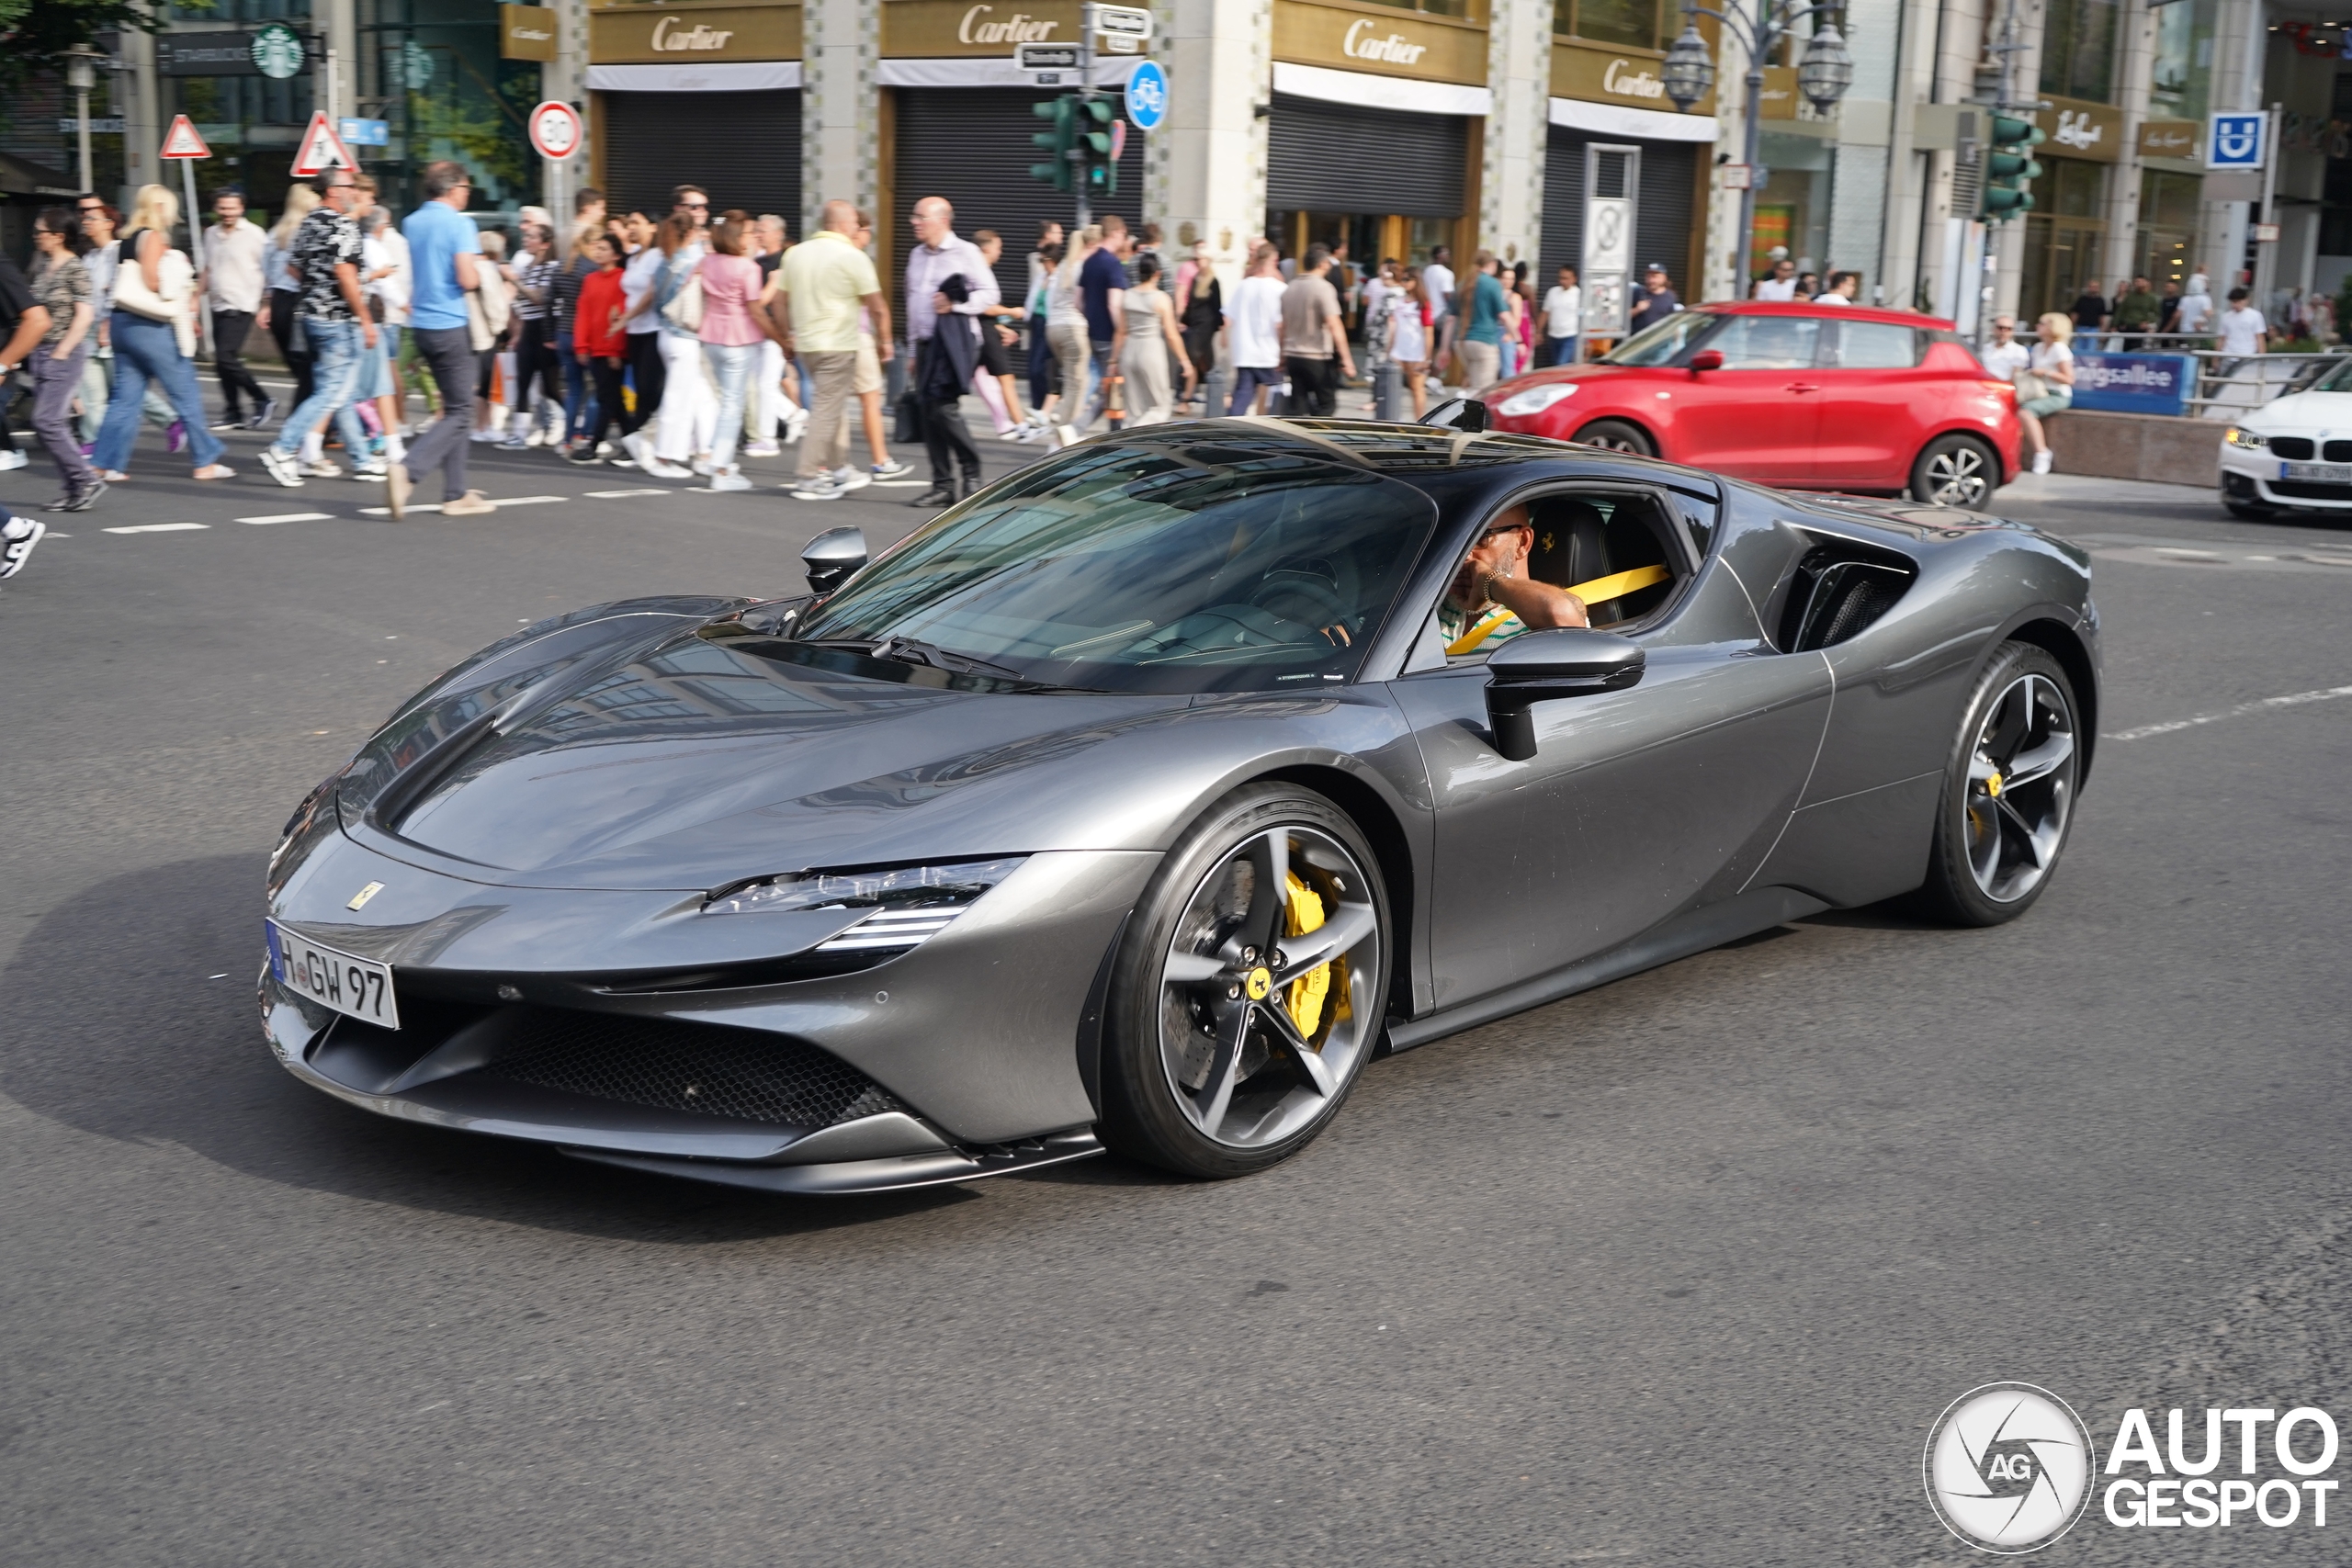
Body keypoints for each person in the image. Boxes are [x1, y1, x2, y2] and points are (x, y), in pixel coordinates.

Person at [91, 184, 234, 483]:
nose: (173, 215)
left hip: (121, 324)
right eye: (169, 208)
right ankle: (205, 461)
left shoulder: (125, 239)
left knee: (124, 399)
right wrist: (178, 276)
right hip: (149, 327)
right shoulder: (152, 236)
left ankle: (104, 463)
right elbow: (154, 282)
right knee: (186, 394)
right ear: (158, 208)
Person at [383, 160, 492, 517]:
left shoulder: (412, 221)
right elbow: (466, 279)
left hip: (422, 324)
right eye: (466, 188)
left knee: (455, 405)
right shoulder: (460, 224)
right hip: (450, 322)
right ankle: (409, 470)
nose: (467, 194)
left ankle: (456, 493)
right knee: (462, 411)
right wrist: (480, 272)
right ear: (452, 188)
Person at [779, 197, 893, 501]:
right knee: (825, 411)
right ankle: (807, 475)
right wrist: (885, 341)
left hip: (806, 344)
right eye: (855, 223)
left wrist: (785, 337)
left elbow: (779, 300)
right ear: (844, 225)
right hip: (838, 344)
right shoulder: (852, 256)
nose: (857, 229)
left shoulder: (795, 253)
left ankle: (841, 467)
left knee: (832, 405)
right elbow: (878, 307)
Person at [902, 195, 997, 506]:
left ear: (942, 220)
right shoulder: (916, 255)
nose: (914, 223)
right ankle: (943, 484)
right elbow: (912, 301)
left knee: (944, 407)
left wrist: (958, 305)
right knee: (929, 412)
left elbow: (990, 293)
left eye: (920, 218)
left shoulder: (966, 252)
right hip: (926, 343)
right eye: (914, 217)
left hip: (955, 342)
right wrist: (913, 349)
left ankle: (972, 472)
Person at [1435, 504, 1590, 656]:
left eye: (1481, 537)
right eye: (1456, 542)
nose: (1464, 556)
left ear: (1522, 543)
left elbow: (1563, 618)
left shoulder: (1535, 619)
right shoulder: (1436, 604)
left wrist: (1491, 583)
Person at [27, 208, 99, 510]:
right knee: (50, 424)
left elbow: (85, 316)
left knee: (47, 420)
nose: (35, 237)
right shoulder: (43, 267)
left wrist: (61, 352)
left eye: (39, 232)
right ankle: (74, 488)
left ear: (58, 237)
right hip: (40, 351)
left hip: (62, 352)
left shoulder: (75, 269)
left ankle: (86, 479)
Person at [688, 209, 765, 492]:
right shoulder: (747, 268)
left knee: (726, 403)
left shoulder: (705, 261)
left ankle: (718, 460)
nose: (753, 236)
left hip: (710, 336)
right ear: (736, 237)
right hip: (738, 339)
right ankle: (720, 468)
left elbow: (689, 287)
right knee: (733, 405)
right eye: (748, 232)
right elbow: (755, 309)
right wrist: (781, 339)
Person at [200, 189, 272, 430]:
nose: (227, 213)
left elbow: (267, 270)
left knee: (225, 356)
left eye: (232, 208)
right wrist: (194, 297)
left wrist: (265, 304)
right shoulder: (211, 233)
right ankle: (233, 412)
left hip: (241, 302)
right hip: (217, 302)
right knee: (221, 362)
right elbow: (208, 268)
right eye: (222, 207)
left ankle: (262, 398)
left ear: (241, 208)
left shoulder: (254, 234)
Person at [1057, 215, 1129, 443]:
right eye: (1124, 235)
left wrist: (1091, 318)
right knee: (1115, 389)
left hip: (1093, 334)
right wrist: (1122, 331)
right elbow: (1114, 304)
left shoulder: (1089, 262)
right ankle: (1088, 430)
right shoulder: (1113, 264)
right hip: (1110, 335)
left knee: (1109, 388)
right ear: (1116, 233)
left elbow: (1078, 301)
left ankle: (1106, 432)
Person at [259, 185, 319, 423]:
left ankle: (313, 427)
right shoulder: (308, 232)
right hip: (299, 302)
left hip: (278, 302)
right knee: (310, 372)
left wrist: (266, 301)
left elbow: (265, 269)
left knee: (300, 370)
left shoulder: (276, 233)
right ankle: (298, 430)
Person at [568, 233, 628, 464]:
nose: (598, 252)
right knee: (612, 398)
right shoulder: (590, 279)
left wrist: (614, 349)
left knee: (606, 397)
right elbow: (583, 314)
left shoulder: (622, 278)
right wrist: (581, 345)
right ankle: (633, 441)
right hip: (594, 347)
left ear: (616, 254)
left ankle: (593, 444)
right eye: (597, 247)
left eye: (604, 248)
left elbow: (620, 314)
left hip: (611, 347)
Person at [972, 230, 1037, 436]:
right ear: (987, 248)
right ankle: (1019, 424)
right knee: (1005, 377)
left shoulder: (976, 269)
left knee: (986, 379)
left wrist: (1000, 327)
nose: (1000, 252)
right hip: (984, 332)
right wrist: (1013, 312)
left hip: (984, 329)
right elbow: (983, 307)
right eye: (998, 247)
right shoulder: (979, 271)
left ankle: (1006, 423)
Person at [1117, 253, 1193, 425]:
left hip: (1129, 351)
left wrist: (1113, 361)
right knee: (1160, 407)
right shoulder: (1162, 299)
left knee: (1133, 410)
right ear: (1157, 273)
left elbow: (1121, 331)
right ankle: (1138, 433)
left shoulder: (1127, 296)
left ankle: (1127, 441)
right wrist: (1185, 361)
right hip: (1151, 351)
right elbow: (1172, 335)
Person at [1280, 243, 1354, 416]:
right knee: (1327, 405)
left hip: (1293, 354)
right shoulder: (1323, 288)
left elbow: (1283, 325)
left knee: (1299, 404)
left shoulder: (1290, 287)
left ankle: (1298, 438)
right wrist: (1347, 359)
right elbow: (1334, 324)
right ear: (1322, 264)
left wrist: (1281, 356)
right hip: (1317, 355)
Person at [617, 210, 667, 460]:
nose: (630, 228)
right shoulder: (633, 257)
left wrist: (626, 317)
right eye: (628, 224)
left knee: (648, 389)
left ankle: (638, 442)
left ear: (653, 227)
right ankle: (648, 438)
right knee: (641, 388)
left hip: (652, 329)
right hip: (633, 331)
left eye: (636, 223)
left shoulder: (658, 256)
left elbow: (650, 295)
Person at [1046, 225, 1101, 436]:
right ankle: (1068, 433)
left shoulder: (1063, 266)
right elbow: (1083, 303)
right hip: (1073, 328)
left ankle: (1063, 428)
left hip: (1054, 327)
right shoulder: (1084, 267)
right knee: (1079, 385)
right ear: (1092, 244)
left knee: (1071, 382)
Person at [1223, 243, 1286, 415]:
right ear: (1274, 261)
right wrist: (1283, 353)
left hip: (1245, 352)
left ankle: (1231, 431)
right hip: (1270, 353)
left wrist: (1225, 339)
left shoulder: (1243, 286)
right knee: (1276, 400)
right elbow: (1280, 325)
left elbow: (1229, 317)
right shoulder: (1279, 289)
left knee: (1242, 397)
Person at [2016, 312, 2075, 476]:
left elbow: (2069, 378)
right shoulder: (2038, 348)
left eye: (2042, 324)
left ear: (2052, 327)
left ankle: (2042, 453)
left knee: (2026, 412)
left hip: (2058, 394)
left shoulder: (2059, 349)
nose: (2038, 326)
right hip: (2039, 392)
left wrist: (2046, 373)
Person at [1176, 238, 1221, 411]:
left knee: (1192, 359)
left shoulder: (1213, 281)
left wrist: (1219, 328)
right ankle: (1216, 395)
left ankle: (1185, 401)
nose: (1198, 262)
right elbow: (1191, 304)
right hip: (1195, 324)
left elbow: (1217, 306)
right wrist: (1183, 320)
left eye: (1201, 259)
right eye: (1197, 259)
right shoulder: (1196, 279)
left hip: (1206, 326)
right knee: (1205, 362)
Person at [1456, 252, 1507, 392]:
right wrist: (1518, 338)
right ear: (1492, 265)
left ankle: (1463, 405)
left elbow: (1450, 319)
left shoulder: (1462, 284)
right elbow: (1504, 314)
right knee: (1483, 391)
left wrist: (1443, 350)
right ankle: (1468, 410)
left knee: (1473, 383)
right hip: (1484, 341)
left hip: (1461, 342)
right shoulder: (1493, 284)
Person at [1386, 265, 1431, 418]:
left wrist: (1427, 357)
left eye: (1407, 279)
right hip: (1398, 352)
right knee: (1392, 390)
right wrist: (1389, 349)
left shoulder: (1423, 305)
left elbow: (1429, 332)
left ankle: (1419, 423)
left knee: (1417, 389)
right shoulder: (1399, 301)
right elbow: (1394, 328)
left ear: (1416, 281)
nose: (1403, 282)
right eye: (1402, 279)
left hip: (1416, 353)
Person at [1423, 244, 1455, 381]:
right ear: (1439, 255)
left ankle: (1427, 375)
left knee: (1430, 347)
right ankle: (1434, 377)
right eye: (1445, 253)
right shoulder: (1446, 273)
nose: (1448, 255)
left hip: (1428, 313)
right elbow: (1447, 295)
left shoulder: (1427, 271)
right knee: (1446, 347)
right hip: (1442, 314)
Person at [1540, 265, 1580, 367]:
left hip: (1570, 336)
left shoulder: (1579, 295)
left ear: (1574, 279)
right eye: (1560, 278)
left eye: (1566, 278)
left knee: (1561, 364)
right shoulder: (1553, 292)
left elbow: (1584, 317)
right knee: (1555, 366)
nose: (1562, 281)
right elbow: (1545, 312)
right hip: (1553, 336)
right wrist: (1538, 332)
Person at [2216, 286, 2267, 358]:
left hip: (2248, 354)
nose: (2236, 305)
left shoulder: (2255, 315)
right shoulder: (2226, 317)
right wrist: (2216, 358)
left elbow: (2260, 337)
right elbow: (2222, 338)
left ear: (2246, 300)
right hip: (2228, 354)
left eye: (2238, 302)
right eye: (2233, 302)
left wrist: (2261, 356)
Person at [1978, 314, 2030, 382]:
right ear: (1994, 329)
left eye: (2008, 329)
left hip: (2003, 387)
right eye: (2000, 328)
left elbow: (2015, 378)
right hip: (1981, 385)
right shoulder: (1984, 348)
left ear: (2012, 331)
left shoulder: (2019, 350)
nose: (2003, 332)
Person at [1628, 264, 1679, 333]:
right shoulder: (1637, 293)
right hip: (1637, 339)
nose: (1651, 280)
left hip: (1657, 339)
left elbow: (1673, 321)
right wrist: (1637, 309)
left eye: (1655, 277)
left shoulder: (1670, 296)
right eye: (1648, 277)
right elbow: (1622, 318)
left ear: (1664, 278)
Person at [2111, 276, 2159, 348]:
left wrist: (2148, 322)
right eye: (2137, 282)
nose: (2139, 284)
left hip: (2141, 328)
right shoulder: (2129, 297)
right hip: (2128, 327)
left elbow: (2156, 313)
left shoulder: (2151, 298)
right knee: (2126, 349)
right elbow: (2121, 311)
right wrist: (2115, 325)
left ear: (2146, 283)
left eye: (2141, 281)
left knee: (2138, 350)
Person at [2070, 279, 2109, 349]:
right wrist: (2070, 326)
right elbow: (2075, 314)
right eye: (2092, 287)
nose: (2093, 289)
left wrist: (2103, 331)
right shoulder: (2082, 300)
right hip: (2081, 328)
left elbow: (2102, 317)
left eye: (2095, 287)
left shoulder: (2100, 301)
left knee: (2091, 350)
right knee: (2079, 349)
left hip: (2093, 329)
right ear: (2088, 288)